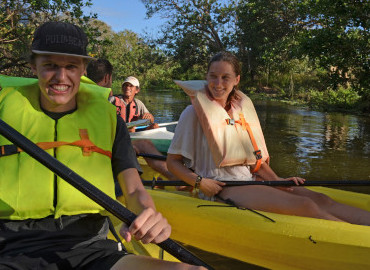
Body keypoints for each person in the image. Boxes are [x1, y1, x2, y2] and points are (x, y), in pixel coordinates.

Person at [0, 21, 204, 269]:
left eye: (71, 67)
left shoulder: (109, 119)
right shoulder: (4, 110)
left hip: (89, 246)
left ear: (83, 69)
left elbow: (133, 191)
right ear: (34, 66)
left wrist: (148, 213)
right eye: (50, 65)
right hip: (10, 245)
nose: (61, 77)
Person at [167, 51, 370, 225]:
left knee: (321, 199)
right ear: (206, 76)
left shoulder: (240, 111)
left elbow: (254, 161)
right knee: (306, 205)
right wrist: (200, 182)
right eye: (213, 76)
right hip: (221, 187)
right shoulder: (192, 113)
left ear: (237, 80)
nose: (218, 84)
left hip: (250, 180)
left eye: (225, 77)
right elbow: (173, 162)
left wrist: (277, 181)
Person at [86, 59, 180, 184]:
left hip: (120, 137)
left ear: (137, 90)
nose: (127, 88)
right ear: (107, 78)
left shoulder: (137, 104)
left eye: (130, 86)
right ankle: (172, 178)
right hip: (111, 142)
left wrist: (149, 116)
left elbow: (150, 119)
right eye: (125, 85)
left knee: (155, 126)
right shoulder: (112, 100)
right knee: (144, 145)